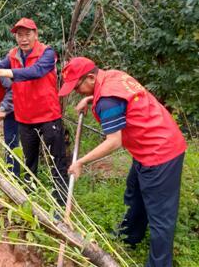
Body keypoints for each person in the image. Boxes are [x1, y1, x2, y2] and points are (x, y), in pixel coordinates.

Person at [59, 57, 187, 267]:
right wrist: (89, 98)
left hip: (161, 152)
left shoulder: (108, 100)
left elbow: (114, 142)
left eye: (76, 86)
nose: (75, 92)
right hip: (148, 146)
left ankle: (160, 263)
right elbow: (122, 97)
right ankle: (130, 235)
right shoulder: (112, 76)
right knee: (135, 191)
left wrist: (81, 161)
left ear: (91, 77)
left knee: (161, 218)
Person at [0, 17, 67, 204]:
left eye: (27, 34)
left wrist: (4, 72)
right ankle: (30, 200)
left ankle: (60, 203)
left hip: (48, 116)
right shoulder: (13, 55)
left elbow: (36, 71)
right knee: (29, 162)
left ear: (35, 35)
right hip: (25, 118)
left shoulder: (47, 53)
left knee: (57, 161)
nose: (23, 39)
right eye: (20, 35)